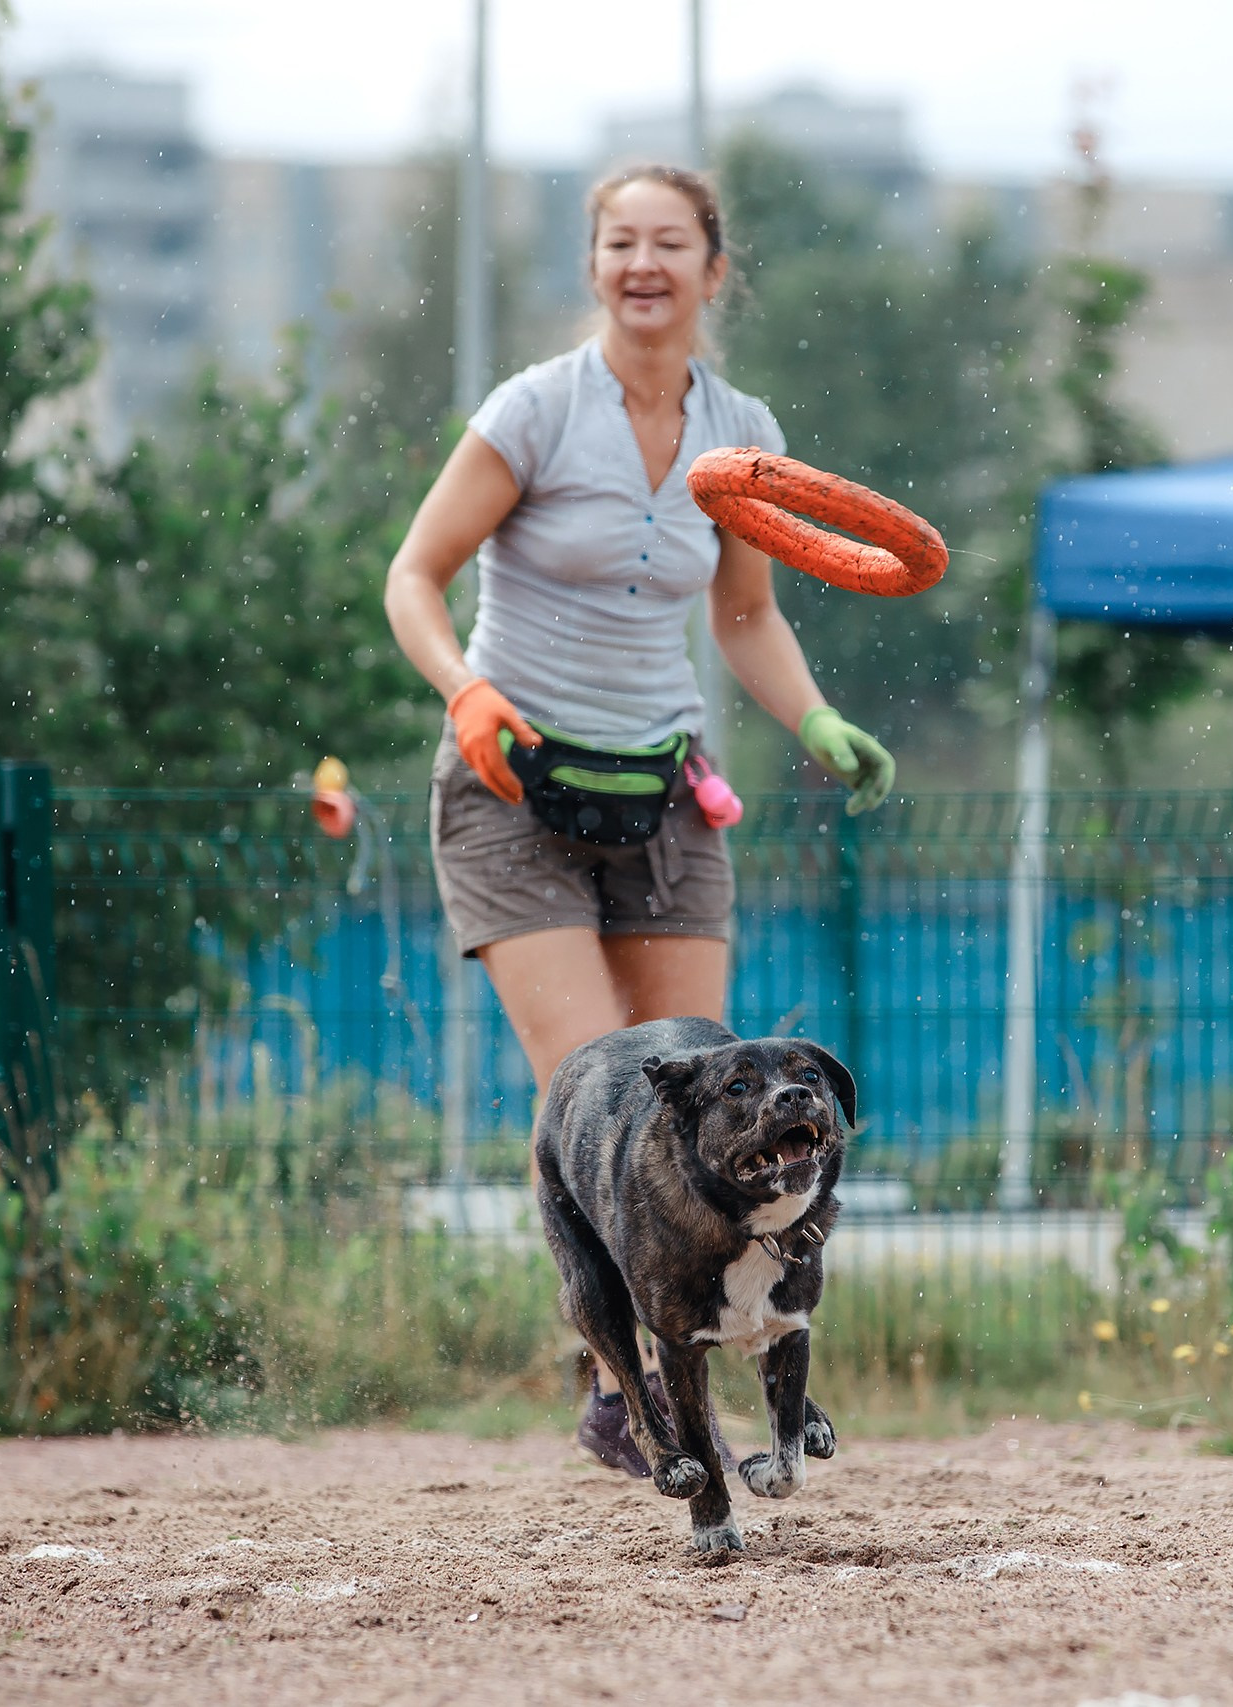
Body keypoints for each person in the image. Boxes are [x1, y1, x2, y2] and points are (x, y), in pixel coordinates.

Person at [382, 163, 893, 1476]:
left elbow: (745, 615)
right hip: (513, 788)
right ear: (597, 263)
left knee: (694, 1082)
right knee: (595, 1088)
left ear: (715, 270)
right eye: (621, 243)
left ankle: (671, 1345)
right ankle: (622, 1375)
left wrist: (816, 721)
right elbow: (414, 577)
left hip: (665, 793)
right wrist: (467, 687)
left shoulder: (741, 429)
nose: (644, 264)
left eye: (672, 244)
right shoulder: (536, 411)